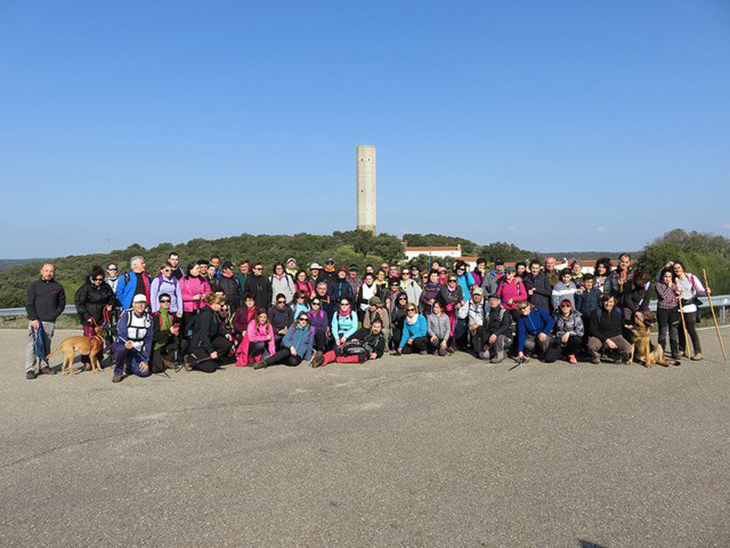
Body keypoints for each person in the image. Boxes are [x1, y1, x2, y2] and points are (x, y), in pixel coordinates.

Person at [24, 263, 66, 379]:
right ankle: (30, 369)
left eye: (51, 271)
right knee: (33, 345)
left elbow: (61, 304)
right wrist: (34, 318)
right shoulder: (34, 286)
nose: (49, 273)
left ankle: (44, 366)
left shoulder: (58, 287)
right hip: (35, 320)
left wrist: (54, 315)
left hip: (49, 321)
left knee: (47, 344)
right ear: (41, 271)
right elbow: (29, 303)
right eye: (46, 271)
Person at [74, 266, 115, 371]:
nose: (98, 281)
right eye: (96, 279)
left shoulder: (106, 287)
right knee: (89, 340)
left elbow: (112, 298)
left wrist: (110, 304)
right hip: (88, 318)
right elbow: (79, 303)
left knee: (99, 341)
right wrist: (87, 316)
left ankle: (99, 360)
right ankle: (86, 362)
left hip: (102, 318)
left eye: (100, 279)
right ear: (92, 278)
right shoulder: (85, 288)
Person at [311, 318, 387, 367]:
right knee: (338, 350)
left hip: (363, 351)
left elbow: (380, 352)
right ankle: (321, 360)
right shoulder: (364, 331)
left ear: (381, 328)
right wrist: (353, 339)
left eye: (378, 327)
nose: (375, 329)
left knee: (362, 358)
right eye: (374, 326)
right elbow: (353, 335)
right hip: (354, 344)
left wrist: (376, 354)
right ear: (371, 326)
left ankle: (338, 359)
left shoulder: (381, 339)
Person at [186, 293, 233, 372]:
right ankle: (190, 359)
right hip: (199, 343)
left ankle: (211, 358)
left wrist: (225, 333)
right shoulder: (206, 314)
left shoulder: (214, 313)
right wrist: (211, 351)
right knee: (210, 368)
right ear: (215, 304)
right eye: (221, 305)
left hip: (209, 339)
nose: (222, 307)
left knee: (227, 345)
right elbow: (204, 335)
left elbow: (217, 327)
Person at [112, 294, 153, 383]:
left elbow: (149, 340)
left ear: (146, 304)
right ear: (133, 304)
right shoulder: (126, 314)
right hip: (124, 344)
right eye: (138, 303)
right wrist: (126, 343)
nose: (140, 305)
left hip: (138, 349)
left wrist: (145, 359)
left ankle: (129, 364)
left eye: (143, 303)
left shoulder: (149, 318)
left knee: (144, 373)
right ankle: (118, 372)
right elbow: (121, 332)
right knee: (120, 349)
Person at [673, 260, 708, 360]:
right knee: (680, 330)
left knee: (691, 329)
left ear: (683, 268)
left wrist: (706, 291)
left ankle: (698, 352)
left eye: (679, 267)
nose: (677, 270)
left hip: (690, 307)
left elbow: (700, 290)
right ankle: (681, 349)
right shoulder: (675, 280)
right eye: (675, 268)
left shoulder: (691, 277)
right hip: (679, 307)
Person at [586, 294, 632, 364]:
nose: (608, 304)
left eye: (611, 302)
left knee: (628, 348)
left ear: (614, 303)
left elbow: (621, 321)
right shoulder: (596, 312)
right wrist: (607, 340)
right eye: (606, 301)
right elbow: (592, 330)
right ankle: (596, 357)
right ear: (603, 302)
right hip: (599, 337)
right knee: (591, 345)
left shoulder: (618, 311)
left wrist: (626, 325)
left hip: (615, 336)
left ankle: (617, 356)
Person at [151, 293, 187, 373]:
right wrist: (169, 331)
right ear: (159, 303)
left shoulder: (172, 315)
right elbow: (155, 336)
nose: (166, 303)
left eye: (168, 301)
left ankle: (167, 359)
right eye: (163, 301)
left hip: (167, 342)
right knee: (157, 369)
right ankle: (161, 359)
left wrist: (176, 332)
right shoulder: (155, 316)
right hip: (156, 345)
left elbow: (177, 330)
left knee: (184, 343)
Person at [475, 293, 512, 363]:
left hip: (505, 337)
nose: (492, 302)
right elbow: (485, 328)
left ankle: (499, 355)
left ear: (499, 301)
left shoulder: (504, 311)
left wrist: (495, 334)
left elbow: (506, 326)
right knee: (483, 355)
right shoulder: (488, 313)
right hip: (492, 339)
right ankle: (498, 352)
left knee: (499, 337)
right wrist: (486, 343)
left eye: (494, 300)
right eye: (490, 300)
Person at [654, 268, 680, 359]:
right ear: (662, 277)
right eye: (665, 277)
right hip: (662, 310)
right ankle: (661, 352)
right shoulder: (658, 285)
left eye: (669, 277)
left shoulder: (674, 285)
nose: (667, 279)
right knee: (663, 331)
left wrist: (678, 292)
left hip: (673, 309)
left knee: (673, 331)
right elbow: (663, 296)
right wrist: (669, 287)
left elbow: (678, 294)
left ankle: (674, 352)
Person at [180, 262, 212, 335]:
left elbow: (209, 291)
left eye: (199, 268)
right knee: (189, 329)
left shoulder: (203, 279)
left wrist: (204, 295)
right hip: (188, 309)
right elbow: (180, 295)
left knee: (200, 328)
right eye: (197, 268)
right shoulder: (183, 280)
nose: (199, 270)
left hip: (201, 307)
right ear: (191, 270)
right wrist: (192, 298)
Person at [552, 299, 584, 364]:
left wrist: (569, 333)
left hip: (571, 339)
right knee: (549, 358)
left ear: (571, 307)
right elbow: (553, 329)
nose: (565, 307)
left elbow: (581, 332)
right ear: (560, 307)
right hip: (560, 339)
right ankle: (563, 354)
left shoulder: (576, 316)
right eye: (563, 306)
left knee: (577, 339)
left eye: (567, 306)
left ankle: (571, 354)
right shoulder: (556, 316)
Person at [457, 286, 487, 353]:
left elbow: (487, 318)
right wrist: (460, 309)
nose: (476, 297)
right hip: (472, 328)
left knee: (479, 350)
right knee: (460, 322)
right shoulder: (469, 302)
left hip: (481, 327)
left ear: (482, 295)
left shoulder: (486, 304)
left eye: (478, 295)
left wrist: (478, 323)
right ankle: (462, 343)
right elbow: (461, 314)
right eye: (475, 295)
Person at [438, 274, 464, 342]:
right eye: (450, 280)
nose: (452, 282)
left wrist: (459, 303)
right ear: (447, 281)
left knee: (453, 327)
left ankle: (452, 343)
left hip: (454, 311)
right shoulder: (443, 287)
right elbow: (446, 300)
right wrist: (456, 301)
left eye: (454, 281)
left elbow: (460, 298)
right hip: (444, 310)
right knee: (444, 327)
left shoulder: (459, 288)